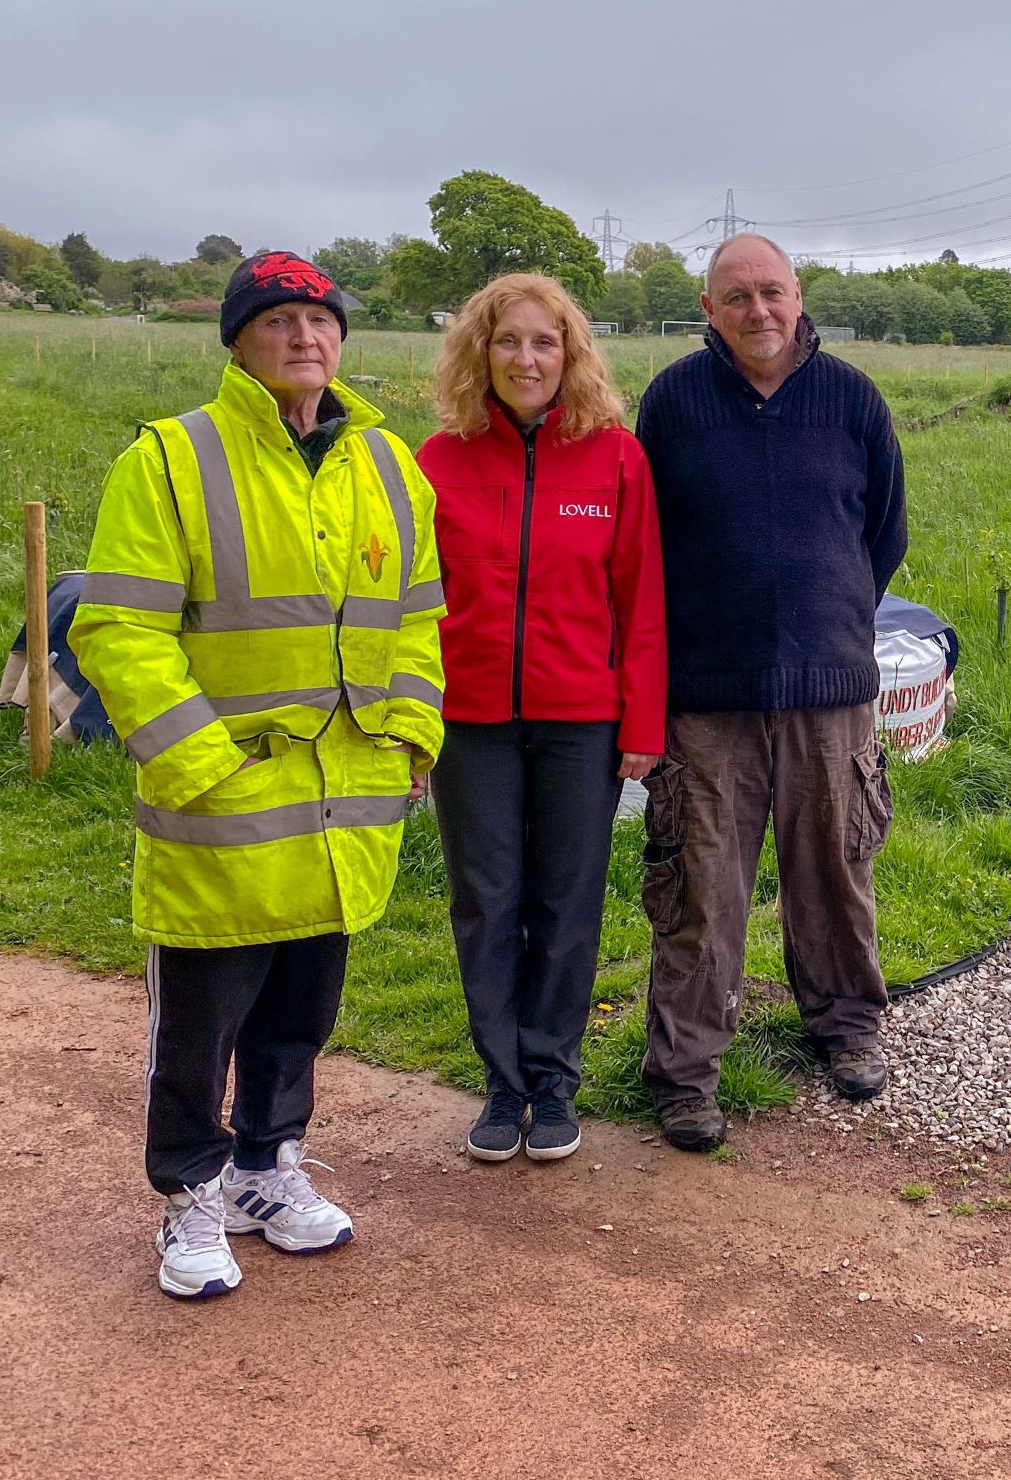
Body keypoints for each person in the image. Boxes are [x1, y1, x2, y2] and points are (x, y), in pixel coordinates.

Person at [72, 252, 445, 1300]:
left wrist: (413, 733)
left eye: (320, 319)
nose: (304, 337)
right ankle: (187, 1195)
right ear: (237, 341)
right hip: (225, 812)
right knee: (199, 1026)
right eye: (278, 320)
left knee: (299, 1011)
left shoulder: (385, 462)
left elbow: (416, 614)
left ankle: (264, 1169)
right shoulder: (171, 461)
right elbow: (119, 627)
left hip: (339, 807)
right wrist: (198, 763)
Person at [634, 233, 907, 1152]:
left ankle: (845, 1025)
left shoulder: (852, 398)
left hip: (829, 688)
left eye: (773, 293)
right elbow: (646, 542)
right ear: (708, 309)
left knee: (833, 867)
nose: (759, 311)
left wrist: (827, 616)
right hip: (706, 692)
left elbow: (883, 532)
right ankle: (684, 1073)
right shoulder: (673, 400)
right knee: (700, 884)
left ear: (800, 298)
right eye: (738, 296)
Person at [418, 273, 665, 1165]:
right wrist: (411, 723)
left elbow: (642, 600)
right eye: (509, 340)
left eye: (545, 342)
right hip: (469, 718)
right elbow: (411, 605)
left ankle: (554, 1078)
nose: (527, 358)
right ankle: (502, 1081)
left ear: (572, 356)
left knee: (566, 903)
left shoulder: (616, 459)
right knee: (486, 901)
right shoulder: (437, 461)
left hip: (582, 719)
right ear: (479, 351)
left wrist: (642, 723)